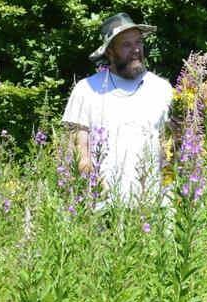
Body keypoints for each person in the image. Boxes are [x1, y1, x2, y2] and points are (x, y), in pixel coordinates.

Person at [62, 13, 174, 204]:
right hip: (103, 206)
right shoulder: (87, 90)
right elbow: (78, 150)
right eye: (126, 45)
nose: (136, 49)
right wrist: (98, 189)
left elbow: (176, 147)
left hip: (156, 205)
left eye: (138, 42)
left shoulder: (161, 88)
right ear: (109, 52)